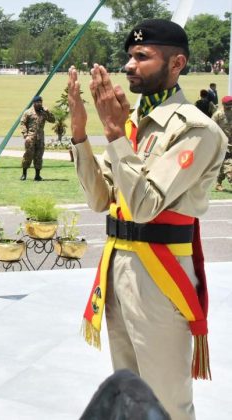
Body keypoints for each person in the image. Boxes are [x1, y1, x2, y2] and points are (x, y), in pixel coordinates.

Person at [67, 19, 226, 419]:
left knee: (167, 402)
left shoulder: (197, 130)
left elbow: (143, 205)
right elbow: (99, 199)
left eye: (142, 56)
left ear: (177, 64)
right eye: (129, 57)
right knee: (129, 399)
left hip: (162, 277)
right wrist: (82, 136)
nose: (129, 65)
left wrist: (114, 132)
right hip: (119, 268)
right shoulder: (133, 121)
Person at [19, 95, 55, 181]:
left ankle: (37, 175)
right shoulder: (28, 112)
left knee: (39, 156)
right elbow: (22, 123)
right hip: (30, 138)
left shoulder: (43, 112)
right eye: (37, 102)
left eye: (40, 102)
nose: (39, 104)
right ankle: (24, 174)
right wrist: (25, 135)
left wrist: (47, 112)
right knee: (28, 156)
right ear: (33, 103)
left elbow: (53, 120)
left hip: (40, 138)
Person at [213, 96, 232, 191]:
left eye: (230, 105)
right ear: (223, 104)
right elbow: (211, 128)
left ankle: (218, 183)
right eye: (227, 105)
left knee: (223, 164)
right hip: (222, 144)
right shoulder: (218, 114)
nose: (228, 107)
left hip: (231, 144)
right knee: (228, 164)